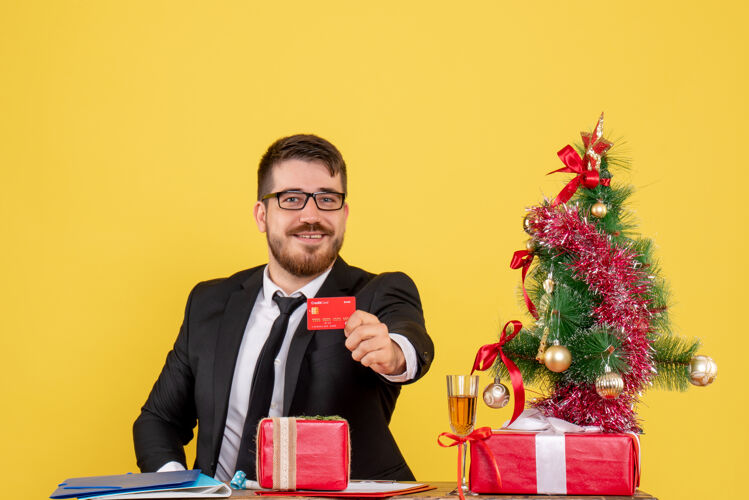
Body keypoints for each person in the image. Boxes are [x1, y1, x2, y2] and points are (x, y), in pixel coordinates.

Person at [133, 134, 434, 482]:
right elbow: (159, 420)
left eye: (327, 199)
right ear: (262, 215)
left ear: (344, 214)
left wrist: (395, 354)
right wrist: (180, 488)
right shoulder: (209, 303)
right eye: (291, 199)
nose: (311, 215)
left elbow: (410, 339)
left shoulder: (377, 293)